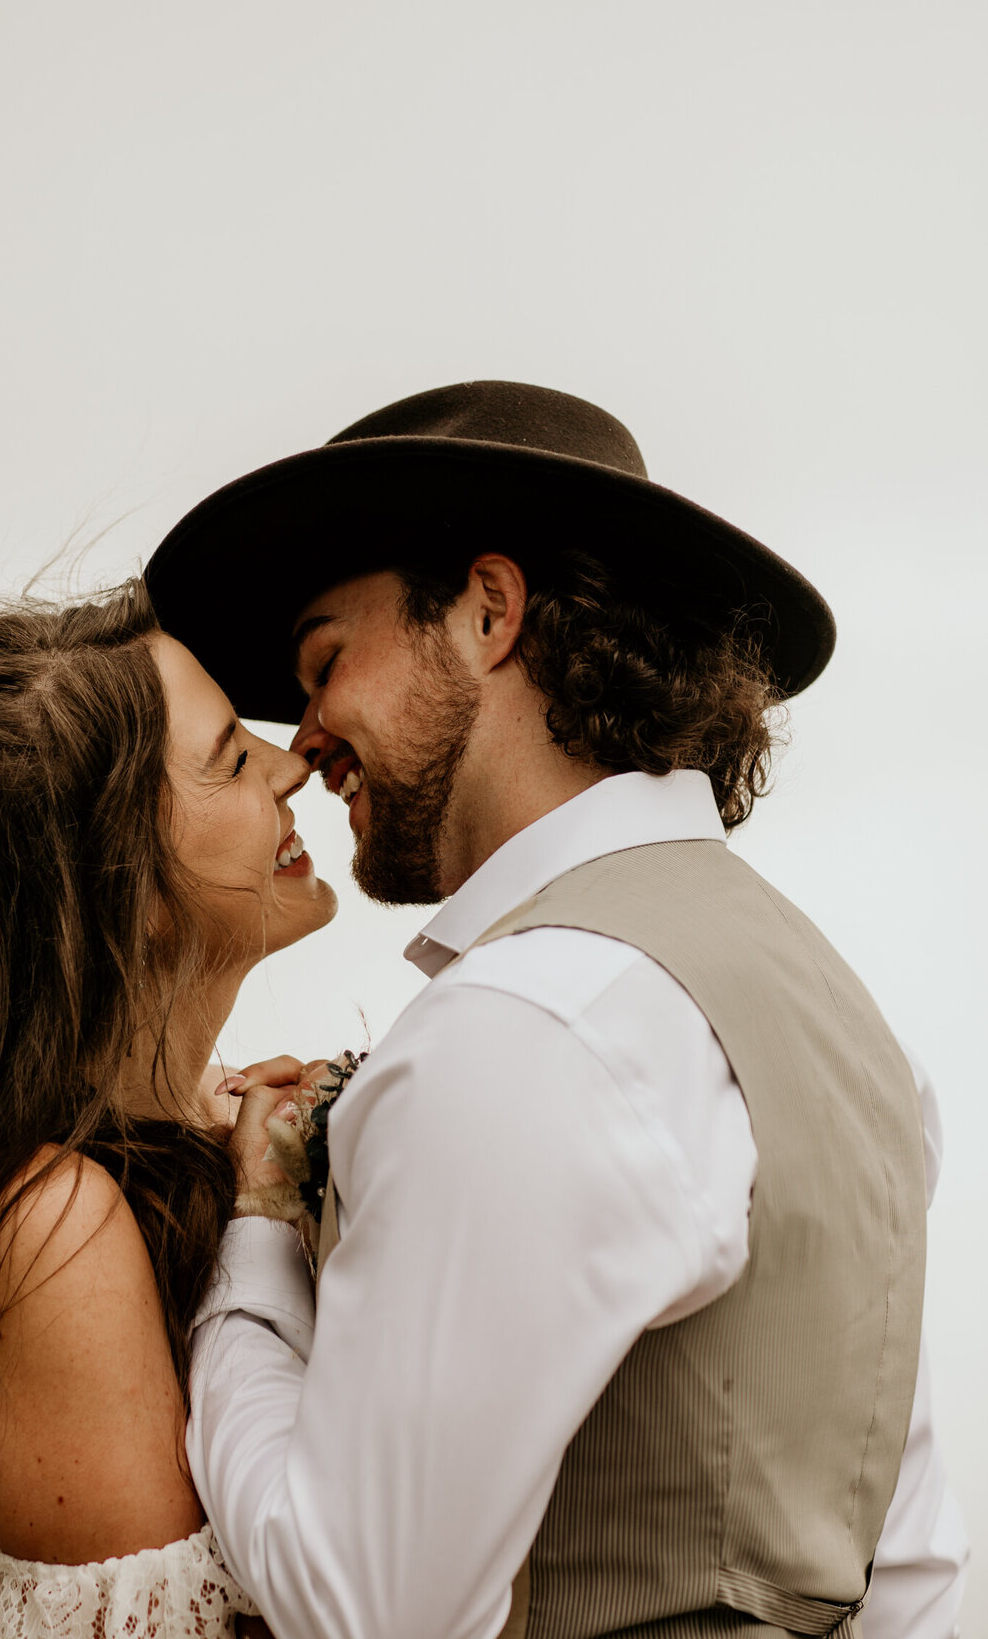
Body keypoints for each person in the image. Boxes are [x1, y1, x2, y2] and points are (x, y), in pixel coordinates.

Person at [146, 380, 969, 1639]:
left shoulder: (529, 1020)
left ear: (486, 612)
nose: (303, 740)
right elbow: (909, 1573)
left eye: (323, 663)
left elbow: (363, 1603)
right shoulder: (855, 1031)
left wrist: (256, 1233)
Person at [0, 578, 336, 1639]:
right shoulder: (52, 1223)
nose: (290, 762)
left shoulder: (169, 1157)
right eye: (230, 757)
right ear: (122, 886)